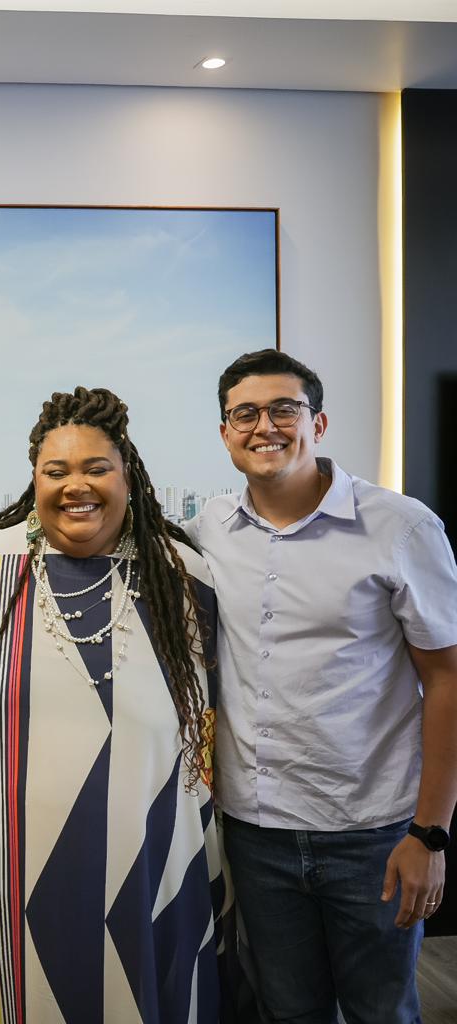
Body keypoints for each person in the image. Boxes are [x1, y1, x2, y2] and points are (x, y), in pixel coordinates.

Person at [0, 386, 229, 1023]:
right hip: (10, 867)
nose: (76, 486)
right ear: (34, 480)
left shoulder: (183, 577)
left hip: (153, 859)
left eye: (96, 468)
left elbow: (211, 726)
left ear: (128, 477)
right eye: (56, 471)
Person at [186, 349, 457, 1023]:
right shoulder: (207, 530)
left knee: (381, 1012)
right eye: (245, 414)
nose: (265, 426)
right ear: (225, 433)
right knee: (287, 1011)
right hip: (257, 833)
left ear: (319, 422)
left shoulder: (401, 527)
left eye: (284, 409)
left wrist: (431, 834)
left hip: (372, 833)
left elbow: (447, 678)